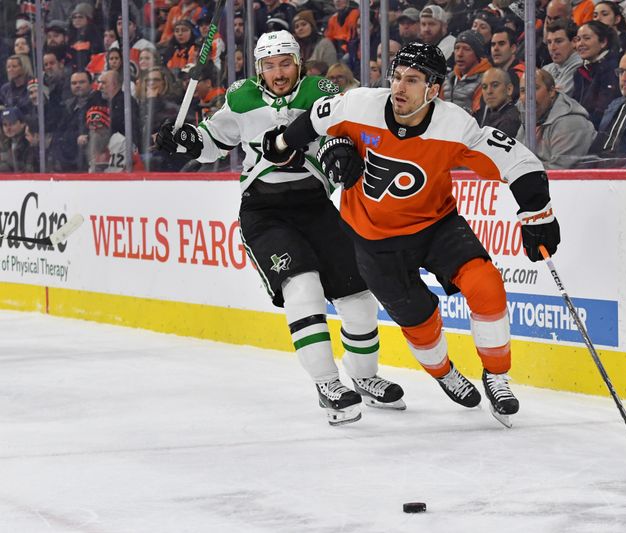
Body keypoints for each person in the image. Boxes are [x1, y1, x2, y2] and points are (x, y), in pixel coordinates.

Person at [264, 42, 562, 427]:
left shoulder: (455, 126)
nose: (399, 88)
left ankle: (497, 376)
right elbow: (314, 122)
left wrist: (537, 211)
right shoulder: (359, 106)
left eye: (413, 80)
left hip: (437, 225)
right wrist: (285, 144)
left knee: (486, 285)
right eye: (397, 77)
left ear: (434, 90)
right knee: (420, 322)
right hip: (373, 241)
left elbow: (518, 160)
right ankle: (444, 373)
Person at [154, 30, 405, 426]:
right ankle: (327, 384)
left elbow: (344, 136)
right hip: (265, 211)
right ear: (259, 69)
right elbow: (212, 142)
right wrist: (185, 139)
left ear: (298, 63)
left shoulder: (320, 93)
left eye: (285, 63)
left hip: (316, 207)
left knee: (358, 295)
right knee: (303, 288)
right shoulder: (241, 97)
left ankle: (364, 375)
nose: (278, 72)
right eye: (269, 65)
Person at [533, 69, 596, 168]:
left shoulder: (571, 123)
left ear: (551, 91)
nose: (528, 96)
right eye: (523, 91)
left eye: (535, 88)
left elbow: (559, 171)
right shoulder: (527, 117)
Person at [572, 20, 621, 127]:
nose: (580, 44)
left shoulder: (612, 69)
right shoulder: (579, 72)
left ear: (603, 42)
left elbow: (603, 112)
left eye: (587, 38)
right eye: (578, 39)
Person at [442, 30, 492, 114]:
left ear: (477, 54)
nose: (459, 54)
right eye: (457, 48)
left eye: (466, 49)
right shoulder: (447, 79)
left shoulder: (487, 80)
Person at [473, 67, 521, 136]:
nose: (489, 91)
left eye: (495, 85)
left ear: (509, 89)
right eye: (484, 87)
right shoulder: (481, 115)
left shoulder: (510, 121)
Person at [543, 19, 582, 96]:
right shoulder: (547, 68)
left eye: (558, 41)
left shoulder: (579, 66)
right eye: (549, 42)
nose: (552, 48)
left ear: (574, 42)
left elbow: (558, 99)